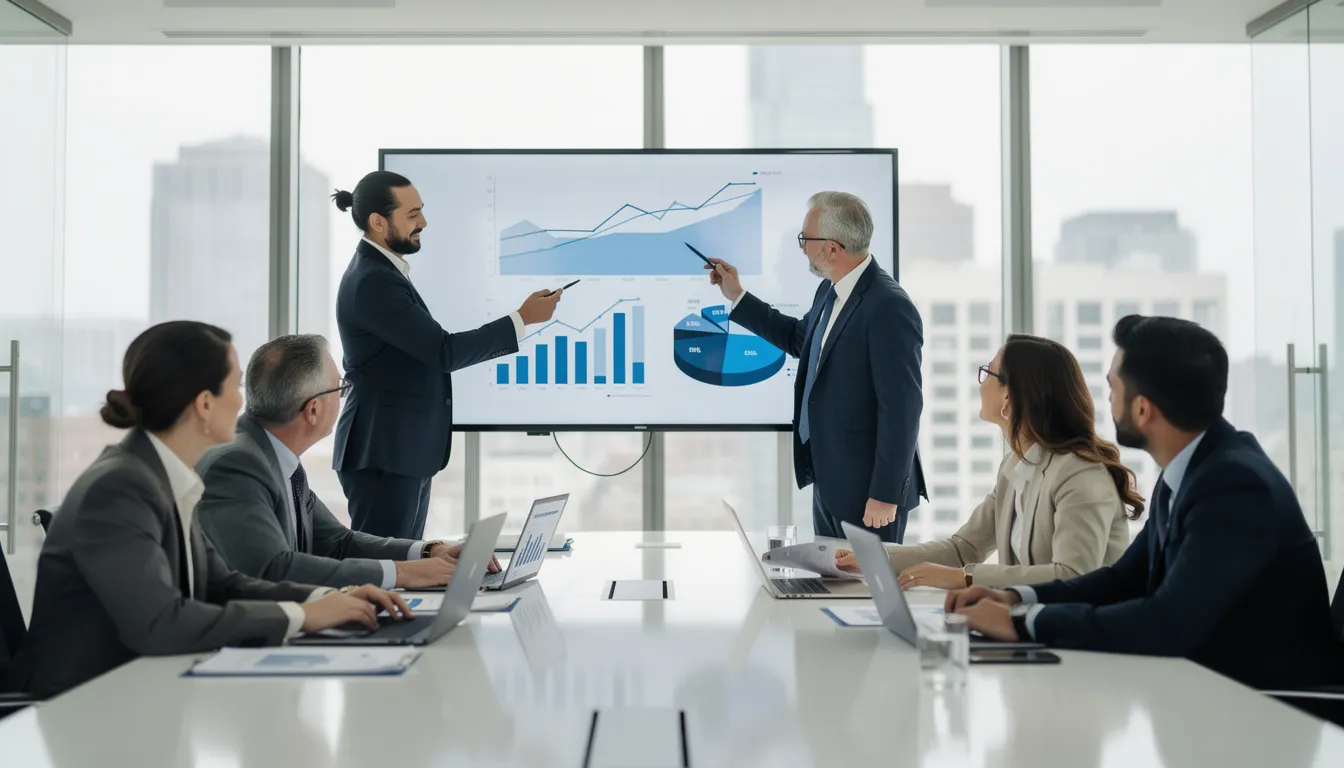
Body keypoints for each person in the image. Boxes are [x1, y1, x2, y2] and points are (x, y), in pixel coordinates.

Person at [19, 322, 411, 698]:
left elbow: (224, 585)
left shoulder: (162, 476)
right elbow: (161, 622)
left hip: (147, 695)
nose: (247, 402)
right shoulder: (119, 488)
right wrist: (304, 617)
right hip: (90, 712)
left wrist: (327, 597)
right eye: (237, 385)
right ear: (205, 404)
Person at [948, 316, 1341, 690]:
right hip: (1208, 686)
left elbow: (1168, 620)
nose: (1106, 398)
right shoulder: (1193, 471)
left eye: (1113, 387)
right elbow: (1123, 579)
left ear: (1142, 408)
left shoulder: (1235, 486)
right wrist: (1017, 598)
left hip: (1265, 706)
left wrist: (1023, 624)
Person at [331, 171, 564, 539]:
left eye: (420, 211)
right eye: (412, 215)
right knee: (389, 570)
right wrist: (522, 319)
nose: (423, 222)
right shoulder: (374, 281)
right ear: (378, 222)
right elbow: (443, 351)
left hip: (399, 451)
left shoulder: (382, 272)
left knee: (404, 563)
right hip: (384, 453)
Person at [833, 335, 1139, 589]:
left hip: (1080, 640)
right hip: (1033, 625)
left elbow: (1074, 575)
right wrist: (876, 556)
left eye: (987, 373)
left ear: (1010, 398)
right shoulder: (1015, 467)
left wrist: (966, 579)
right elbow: (963, 548)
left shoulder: (1079, 474)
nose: (981, 384)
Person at [197, 334, 500, 590]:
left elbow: (338, 543)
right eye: (340, 389)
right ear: (313, 409)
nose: (344, 397)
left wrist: (428, 551)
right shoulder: (238, 465)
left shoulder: (275, 458)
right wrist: (404, 574)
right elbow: (270, 570)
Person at [707, 191, 925, 542]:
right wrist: (738, 296)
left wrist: (886, 494)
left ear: (833, 249)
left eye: (805, 239)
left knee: (866, 592)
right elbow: (799, 339)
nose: (801, 247)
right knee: (835, 590)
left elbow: (903, 408)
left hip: (870, 492)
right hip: (830, 481)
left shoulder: (888, 306)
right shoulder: (830, 291)